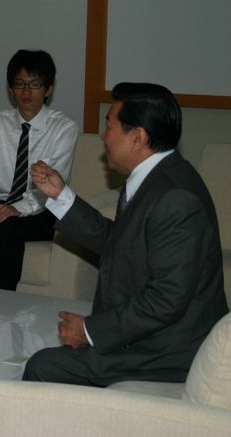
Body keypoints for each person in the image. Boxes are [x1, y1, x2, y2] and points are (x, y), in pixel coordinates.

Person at [23, 82, 228, 385]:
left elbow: (167, 299)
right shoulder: (156, 178)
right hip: (153, 339)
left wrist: (90, 331)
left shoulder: (176, 197)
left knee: (43, 366)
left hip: (169, 352)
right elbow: (120, 242)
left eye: (109, 125)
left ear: (137, 138)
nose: (103, 136)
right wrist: (60, 195)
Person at [0, 50, 78, 290]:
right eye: (19, 84)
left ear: (48, 89)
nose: (26, 91)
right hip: (0, 203)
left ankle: (5, 302)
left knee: (6, 230)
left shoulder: (64, 127)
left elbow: (53, 184)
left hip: (42, 209)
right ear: (11, 89)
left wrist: (17, 208)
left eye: (34, 84)